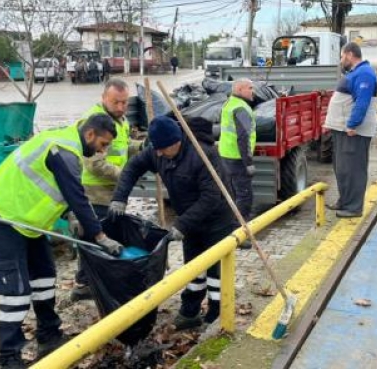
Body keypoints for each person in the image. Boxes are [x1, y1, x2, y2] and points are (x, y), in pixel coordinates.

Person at [0, 114, 124, 369]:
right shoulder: (64, 151)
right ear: (90, 135)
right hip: (4, 217)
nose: (104, 150)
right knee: (17, 292)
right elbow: (77, 197)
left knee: (45, 277)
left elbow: (59, 190)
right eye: (103, 144)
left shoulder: (68, 145)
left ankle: (49, 335)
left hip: (29, 224)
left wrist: (68, 216)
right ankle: (9, 357)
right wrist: (100, 236)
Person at [108, 116, 234, 330]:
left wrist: (181, 224)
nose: (157, 154)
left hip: (217, 218)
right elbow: (133, 167)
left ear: (176, 142)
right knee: (193, 266)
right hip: (190, 218)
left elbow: (210, 197)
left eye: (162, 149)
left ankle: (217, 314)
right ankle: (190, 311)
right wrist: (120, 197)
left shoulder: (203, 155)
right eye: (155, 149)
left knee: (215, 270)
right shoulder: (158, 151)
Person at [69, 78, 141, 302]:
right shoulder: (91, 122)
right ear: (103, 99)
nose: (120, 107)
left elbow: (122, 147)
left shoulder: (121, 120)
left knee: (105, 235)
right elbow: (95, 164)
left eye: (124, 103)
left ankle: (92, 280)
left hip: (113, 191)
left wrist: (141, 147)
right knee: (94, 237)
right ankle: (84, 284)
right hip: (94, 191)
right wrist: (126, 176)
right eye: (115, 102)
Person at [324, 41, 377, 218]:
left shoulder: (365, 73)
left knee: (354, 169)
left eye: (341, 56)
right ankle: (345, 201)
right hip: (343, 130)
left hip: (354, 132)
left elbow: (362, 102)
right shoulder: (357, 72)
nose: (341, 60)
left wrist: (352, 124)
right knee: (342, 168)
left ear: (349, 54)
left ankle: (354, 207)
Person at [218, 79, 255, 249]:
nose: (252, 91)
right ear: (240, 89)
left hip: (226, 155)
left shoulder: (229, 103)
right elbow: (244, 137)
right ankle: (239, 235)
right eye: (250, 88)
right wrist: (248, 162)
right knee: (245, 197)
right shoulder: (241, 108)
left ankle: (228, 231)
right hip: (238, 159)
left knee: (232, 195)